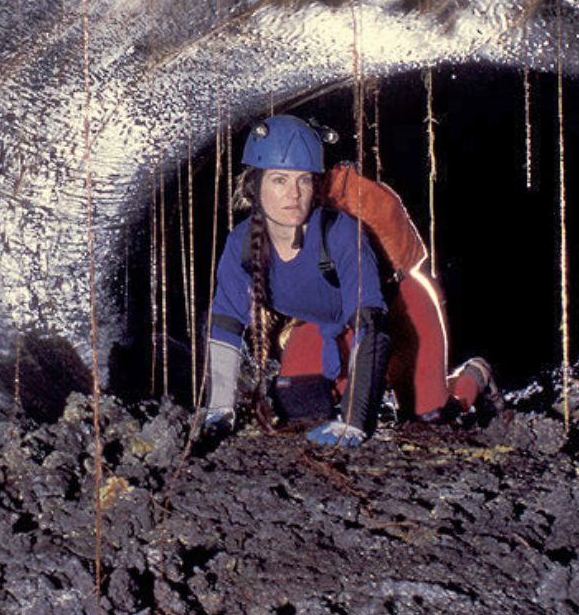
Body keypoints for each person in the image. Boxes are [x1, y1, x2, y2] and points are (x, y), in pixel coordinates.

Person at [201, 114, 498, 448]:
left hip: (402, 310)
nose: (294, 194)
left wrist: (355, 421)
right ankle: (361, 389)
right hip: (329, 324)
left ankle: (476, 374)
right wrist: (219, 408)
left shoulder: (339, 232)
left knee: (431, 418)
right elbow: (226, 322)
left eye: (304, 181)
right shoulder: (241, 245)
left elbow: (369, 322)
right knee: (299, 405)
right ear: (254, 185)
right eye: (279, 180)